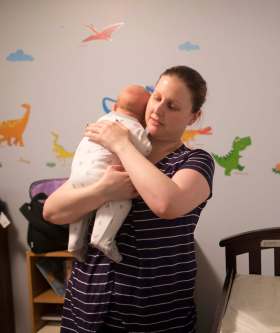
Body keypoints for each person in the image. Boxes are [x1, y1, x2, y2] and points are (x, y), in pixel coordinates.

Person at [43, 66, 215, 332]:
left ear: (193, 116)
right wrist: (103, 191)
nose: (158, 110)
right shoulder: (107, 153)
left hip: (153, 314)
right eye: (156, 98)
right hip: (88, 304)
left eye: (172, 106)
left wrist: (122, 144)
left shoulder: (194, 161)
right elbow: (52, 212)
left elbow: (167, 204)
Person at [68, 85, 152, 263]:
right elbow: (146, 149)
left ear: (114, 106)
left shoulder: (102, 120)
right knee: (121, 201)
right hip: (101, 175)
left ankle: (74, 242)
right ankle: (103, 239)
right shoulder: (134, 127)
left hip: (76, 175)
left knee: (82, 208)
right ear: (144, 116)